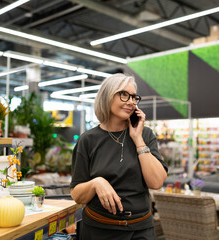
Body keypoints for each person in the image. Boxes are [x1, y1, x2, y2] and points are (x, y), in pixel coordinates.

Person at [70, 73, 168, 240]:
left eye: (134, 97)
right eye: (123, 94)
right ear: (107, 96)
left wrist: (137, 138)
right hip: (98, 230)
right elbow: (77, 194)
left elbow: (156, 182)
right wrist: (96, 183)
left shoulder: (145, 134)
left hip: (141, 230)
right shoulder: (88, 140)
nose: (130, 101)